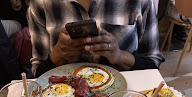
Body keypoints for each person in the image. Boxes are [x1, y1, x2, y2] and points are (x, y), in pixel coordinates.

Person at [28, 0, 165, 78]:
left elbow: (153, 63)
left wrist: (120, 56)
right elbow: (37, 73)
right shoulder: (41, 4)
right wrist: (58, 55)